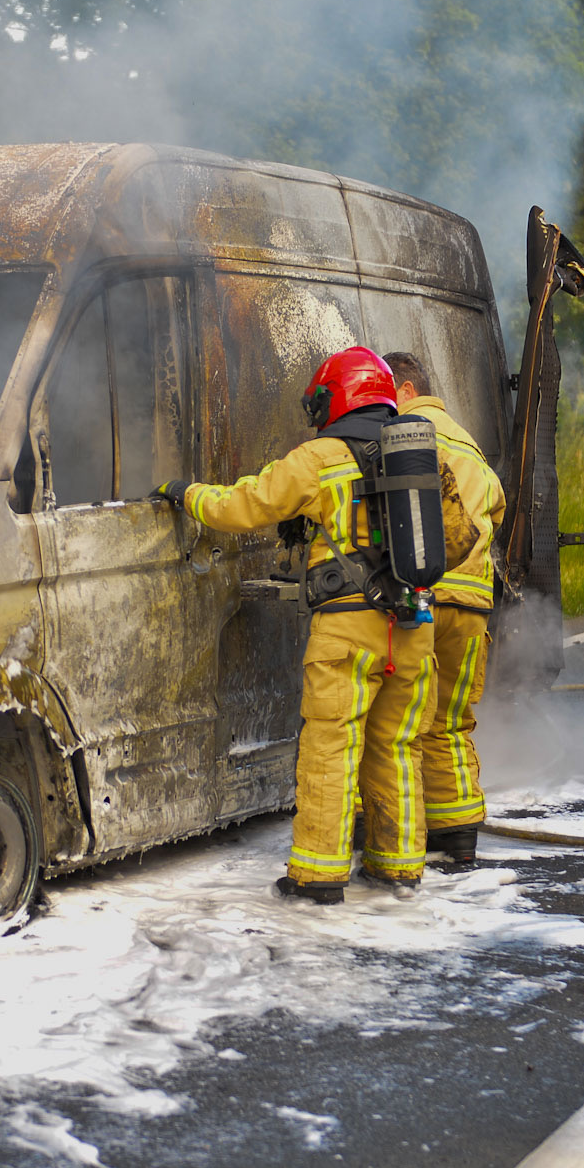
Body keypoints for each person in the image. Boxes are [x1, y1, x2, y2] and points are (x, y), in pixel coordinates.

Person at [153, 346, 478, 903]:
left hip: (349, 629)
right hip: (414, 623)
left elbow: (245, 505)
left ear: (336, 398)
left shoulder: (320, 457)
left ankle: (319, 875)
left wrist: (186, 495)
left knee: (331, 746)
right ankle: (398, 868)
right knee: (397, 746)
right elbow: (461, 533)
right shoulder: (422, 453)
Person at [384, 352, 507, 866]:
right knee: (452, 721)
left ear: (406, 389)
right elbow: (496, 505)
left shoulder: (406, 433)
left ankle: (401, 838)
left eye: (388, 393)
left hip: (426, 597)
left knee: (404, 722)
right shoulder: (467, 441)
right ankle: (459, 834)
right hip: (474, 604)